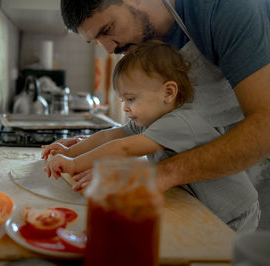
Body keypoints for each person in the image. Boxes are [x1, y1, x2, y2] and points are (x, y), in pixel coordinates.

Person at [45, 0, 270, 229]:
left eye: (107, 29)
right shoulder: (144, 54)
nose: (108, 49)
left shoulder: (227, 7)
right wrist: (75, 152)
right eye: (96, 40)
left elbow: (265, 124)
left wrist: (160, 175)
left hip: (251, 178)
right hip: (201, 186)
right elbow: (115, 137)